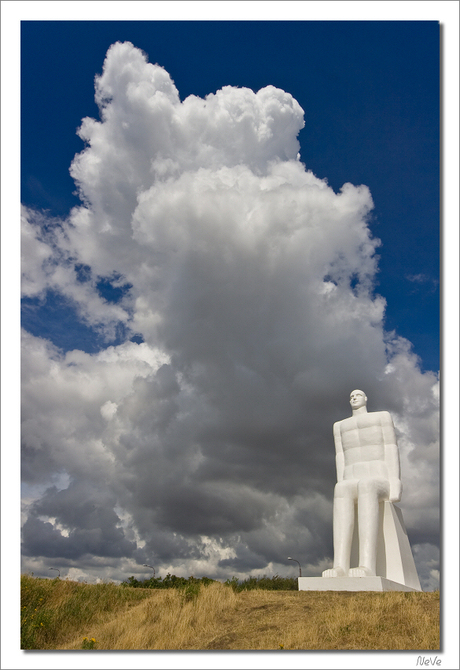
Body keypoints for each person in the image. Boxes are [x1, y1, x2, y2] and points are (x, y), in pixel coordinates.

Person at [322, 390, 402, 578]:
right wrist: (341, 480)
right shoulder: (340, 426)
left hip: (379, 479)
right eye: (350, 396)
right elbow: (340, 456)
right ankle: (340, 566)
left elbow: (391, 447)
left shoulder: (382, 417)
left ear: (366, 398)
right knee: (340, 488)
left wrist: (395, 482)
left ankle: (367, 565)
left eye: (358, 395)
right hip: (352, 478)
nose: (354, 398)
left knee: (367, 485)